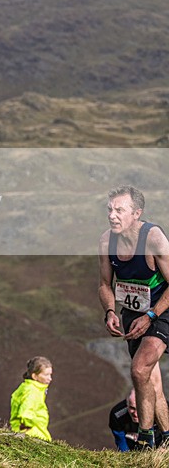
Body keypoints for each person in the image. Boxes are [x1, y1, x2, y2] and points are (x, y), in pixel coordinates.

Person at [99, 185, 169, 448]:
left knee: (139, 369)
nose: (112, 215)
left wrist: (151, 314)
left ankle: (146, 440)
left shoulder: (154, 238)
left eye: (120, 210)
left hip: (162, 309)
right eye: (109, 209)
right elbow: (105, 284)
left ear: (137, 213)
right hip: (133, 312)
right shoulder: (107, 241)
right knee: (151, 380)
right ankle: (167, 443)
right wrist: (109, 311)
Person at [10, 356, 53, 441]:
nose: (50, 378)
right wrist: (27, 428)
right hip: (31, 433)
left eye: (50, 374)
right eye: (46, 375)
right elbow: (25, 413)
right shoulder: (32, 391)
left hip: (34, 432)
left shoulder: (32, 388)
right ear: (35, 376)